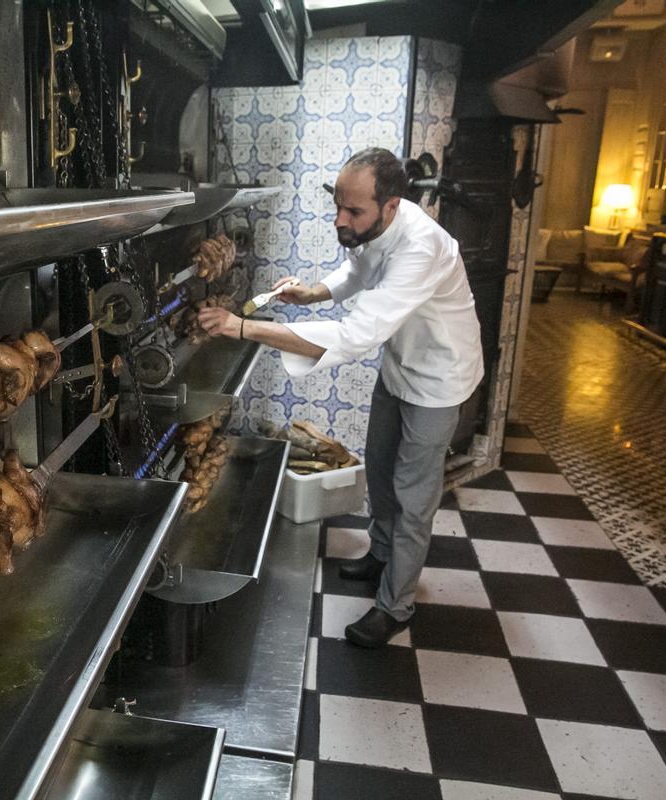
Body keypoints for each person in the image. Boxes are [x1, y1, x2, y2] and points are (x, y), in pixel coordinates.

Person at [197, 147, 483, 648]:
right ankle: (379, 554)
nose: (340, 220)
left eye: (354, 212)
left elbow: (353, 337)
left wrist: (246, 328)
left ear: (390, 207)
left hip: (440, 380)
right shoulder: (381, 226)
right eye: (338, 206)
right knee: (378, 464)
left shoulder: (422, 248)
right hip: (401, 366)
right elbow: (358, 271)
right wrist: (312, 293)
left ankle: (396, 607)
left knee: (415, 496)